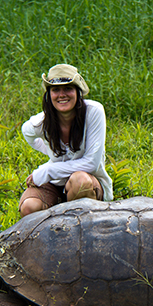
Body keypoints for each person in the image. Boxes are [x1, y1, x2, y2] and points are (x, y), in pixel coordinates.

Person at [19, 64, 113, 217]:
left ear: (78, 91)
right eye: (55, 90)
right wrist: (49, 149)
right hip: (55, 183)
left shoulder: (93, 112)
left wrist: (48, 170)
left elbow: (91, 163)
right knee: (30, 207)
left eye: (68, 88)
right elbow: (27, 133)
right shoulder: (40, 123)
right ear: (49, 94)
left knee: (80, 181)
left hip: (86, 182)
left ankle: (81, 236)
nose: (62, 95)